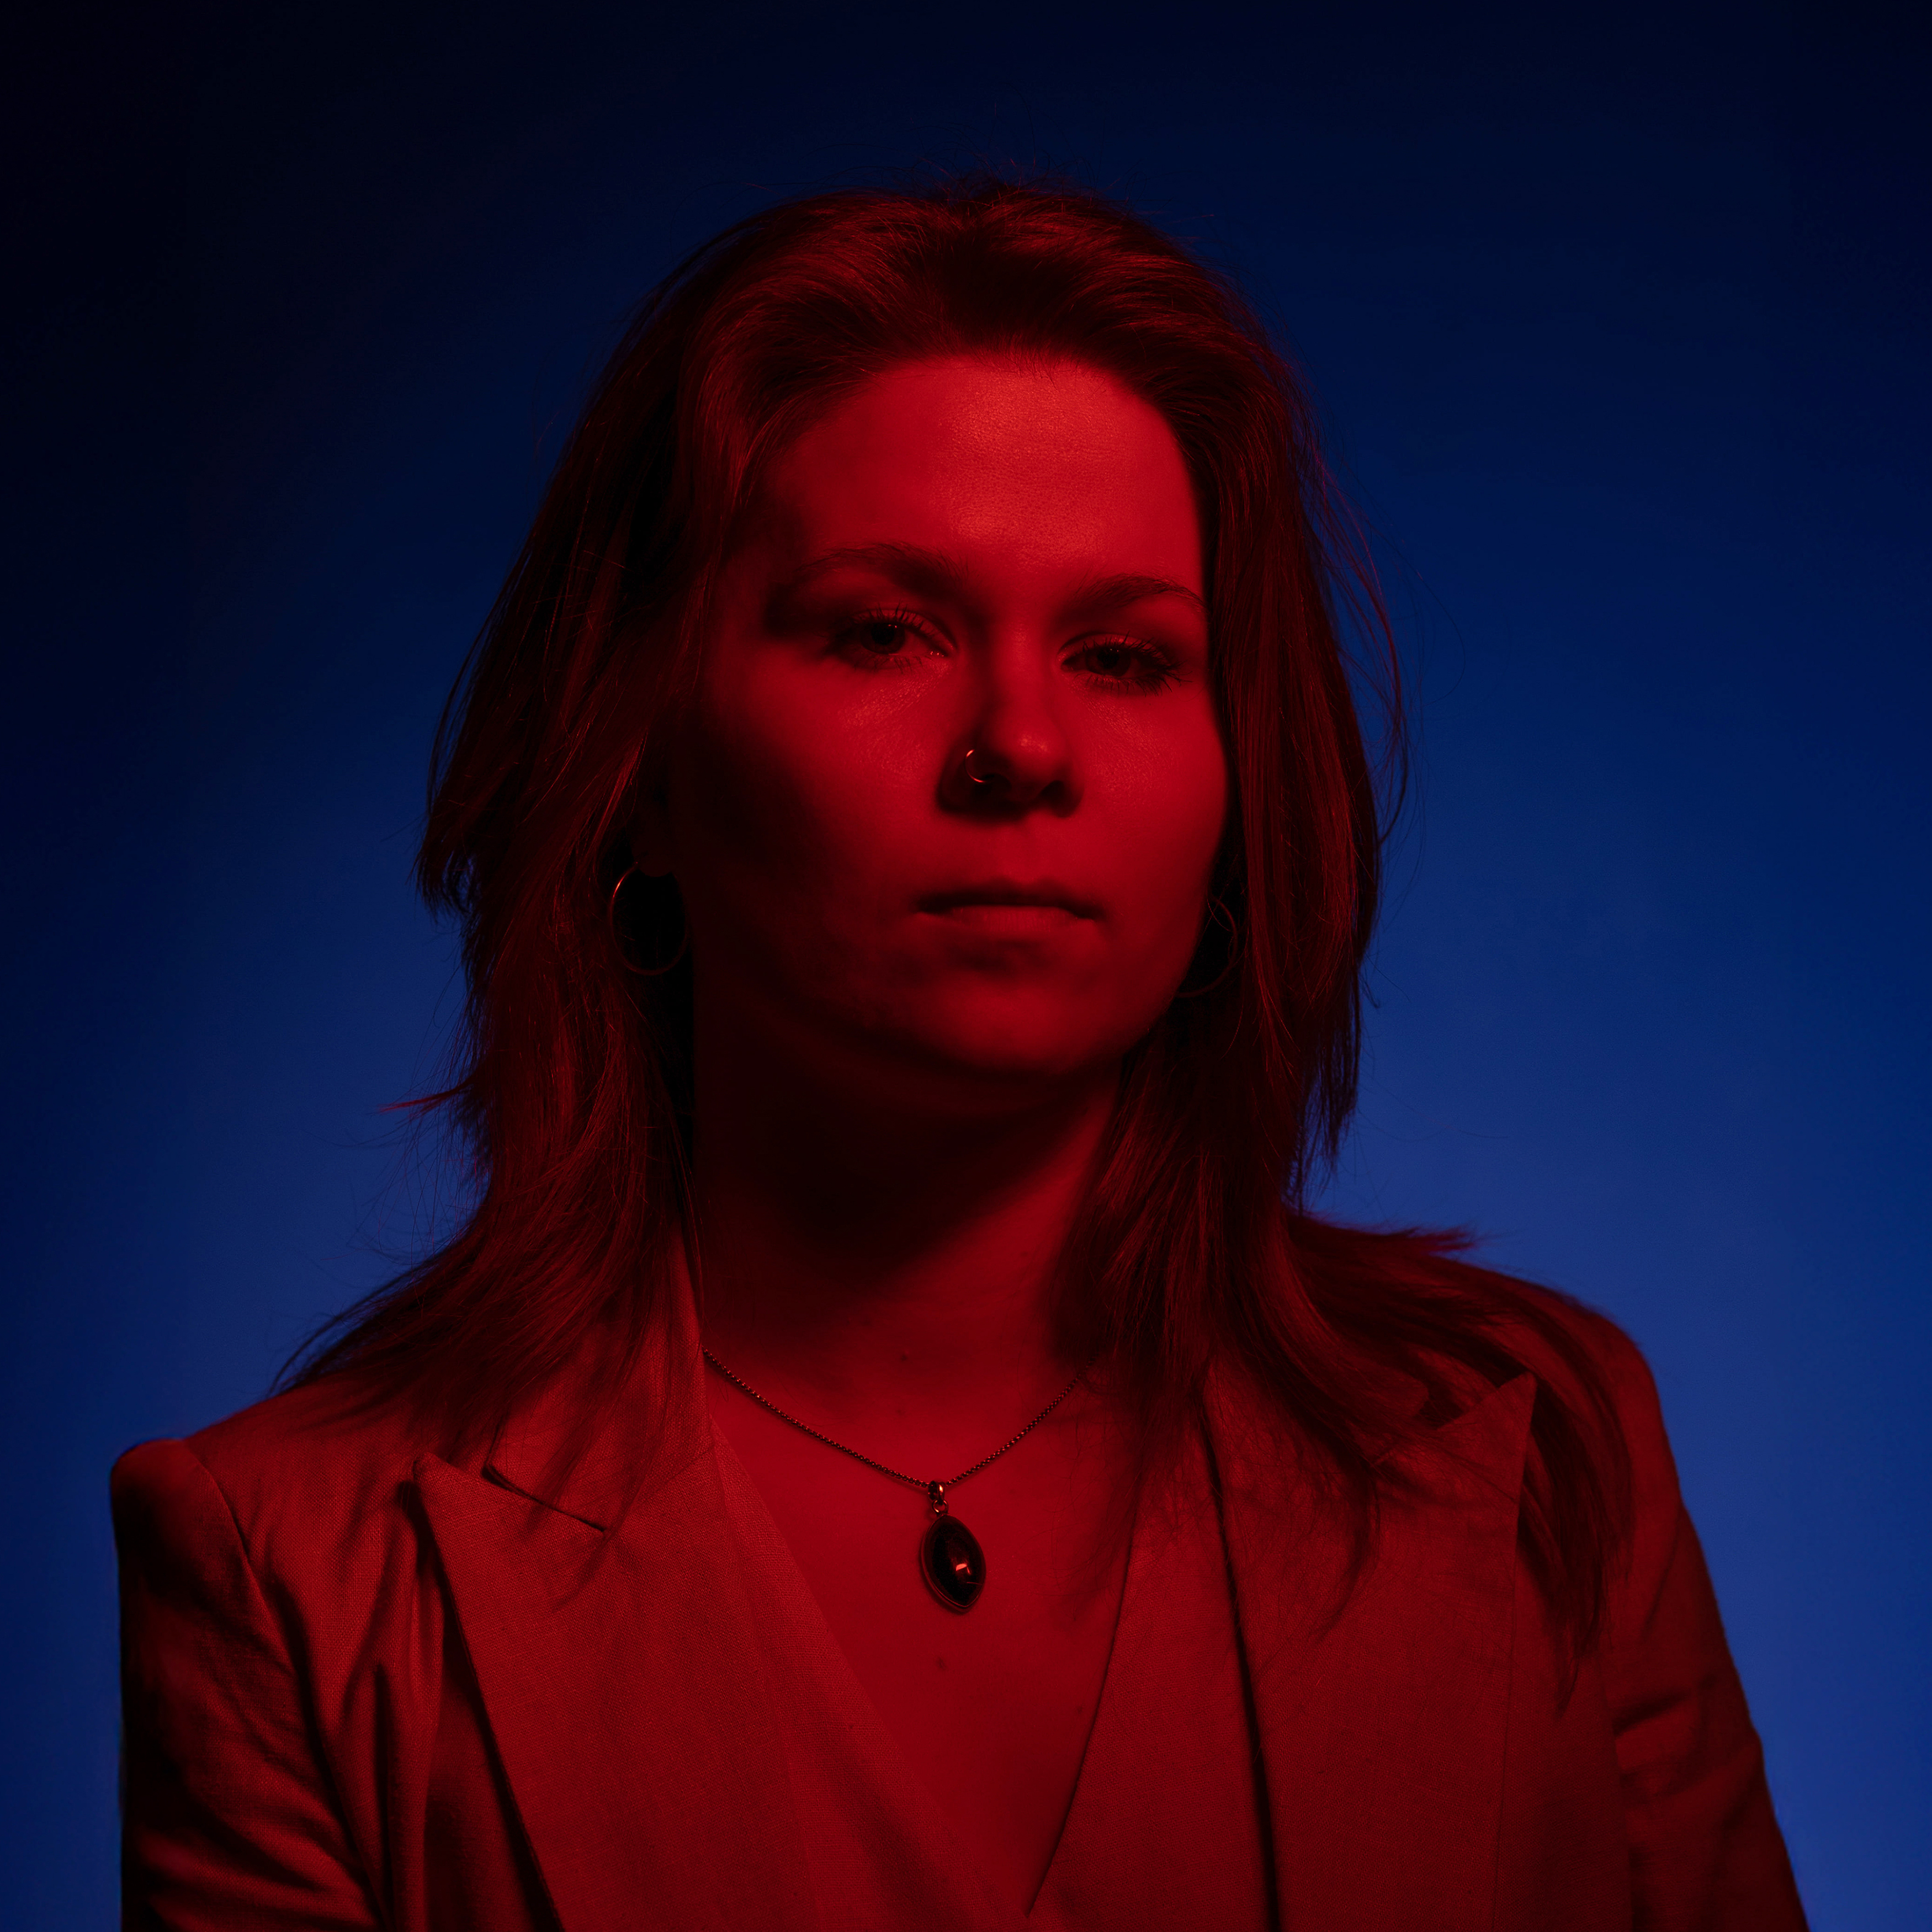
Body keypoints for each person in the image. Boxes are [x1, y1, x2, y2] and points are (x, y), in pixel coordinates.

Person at [112, 179, 1806, 1931]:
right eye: (881, 630)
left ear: (1238, 784)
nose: (1020, 742)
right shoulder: (291, 1569)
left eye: (1122, 655)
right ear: (639, 772)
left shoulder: (1545, 1457)